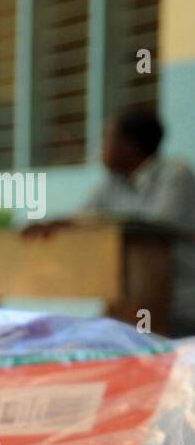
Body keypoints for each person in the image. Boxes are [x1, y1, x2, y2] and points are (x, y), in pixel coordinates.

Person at [39, 107, 195, 336]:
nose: (100, 149)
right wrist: (57, 223)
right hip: (129, 302)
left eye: (106, 139)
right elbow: (81, 217)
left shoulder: (175, 175)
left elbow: (154, 227)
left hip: (177, 302)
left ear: (128, 146)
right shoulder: (113, 182)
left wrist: (93, 222)